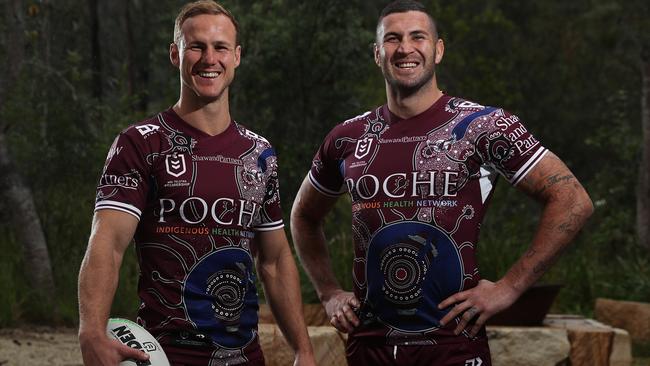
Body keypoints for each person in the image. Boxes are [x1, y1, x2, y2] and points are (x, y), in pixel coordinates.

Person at [290, 0, 593, 365]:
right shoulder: (348, 137)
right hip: (370, 348)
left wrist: (510, 287)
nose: (405, 48)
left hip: (453, 345)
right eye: (392, 39)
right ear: (377, 54)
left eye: (418, 37)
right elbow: (304, 216)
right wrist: (328, 293)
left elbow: (572, 199)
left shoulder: (483, 126)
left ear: (438, 49)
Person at [78, 1, 316, 365]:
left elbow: (275, 259)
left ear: (236, 56)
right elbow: (107, 242)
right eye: (196, 46)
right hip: (166, 353)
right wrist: (91, 332)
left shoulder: (260, 153)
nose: (209, 58)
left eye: (220, 47)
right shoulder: (141, 142)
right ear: (176, 54)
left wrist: (303, 349)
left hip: (244, 355)